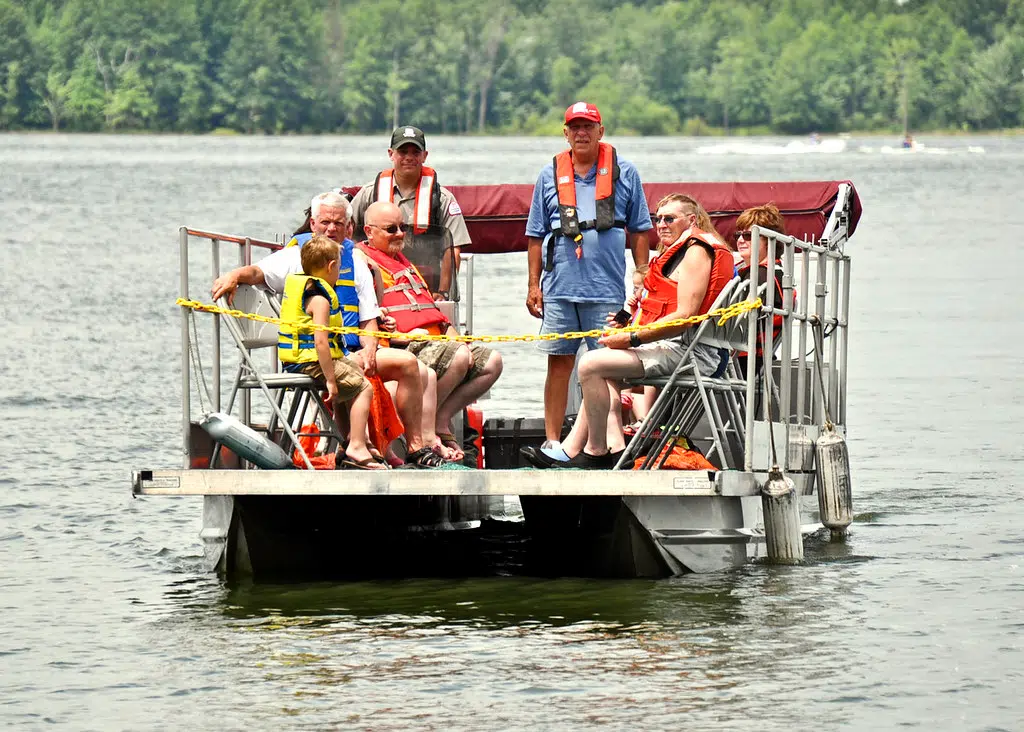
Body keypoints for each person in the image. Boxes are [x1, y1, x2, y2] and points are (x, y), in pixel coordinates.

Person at [211, 191, 450, 468]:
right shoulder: (295, 256)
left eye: (338, 223)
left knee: (411, 365)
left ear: (348, 228)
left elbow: (368, 318)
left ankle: (416, 448)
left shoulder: (356, 261)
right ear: (313, 224)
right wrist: (233, 275)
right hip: (316, 356)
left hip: (351, 348)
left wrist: (370, 349)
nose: (331, 229)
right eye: (325, 222)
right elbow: (257, 273)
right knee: (381, 371)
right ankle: (358, 446)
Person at [523, 219, 735, 469]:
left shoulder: (696, 252)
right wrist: (628, 325)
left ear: (691, 220)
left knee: (591, 364)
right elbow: (657, 310)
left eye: (670, 218)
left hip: (692, 353)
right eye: (659, 219)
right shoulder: (684, 254)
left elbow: (684, 316)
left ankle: (595, 451)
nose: (662, 224)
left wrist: (632, 338)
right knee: (602, 368)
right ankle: (605, 450)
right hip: (684, 348)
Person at [525, 101, 652, 450]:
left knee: (607, 368)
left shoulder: (625, 172)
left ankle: (609, 443)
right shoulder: (549, 174)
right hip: (559, 287)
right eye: (575, 127)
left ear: (601, 131)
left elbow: (641, 230)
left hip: (606, 288)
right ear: (565, 133)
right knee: (559, 364)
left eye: (588, 127)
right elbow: (535, 236)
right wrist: (533, 286)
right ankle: (553, 442)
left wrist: (641, 274)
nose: (581, 133)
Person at [357, 201, 503, 454]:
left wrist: (459, 339)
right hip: (407, 343)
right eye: (391, 229)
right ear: (370, 232)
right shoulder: (364, 263)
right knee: (458, 356)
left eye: (402, 227)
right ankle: (430, 433)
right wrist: (401, 335)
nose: (400, 234)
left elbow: (432, 312)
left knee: (491, 361)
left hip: (437, 340)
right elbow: (369, 316)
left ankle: (440, 417)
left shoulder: (405, 263)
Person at [277, 234, 384, 470]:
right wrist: (331, 381)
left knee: (355, 373)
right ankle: (357, 445)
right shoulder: (320, 300)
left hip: (305, 359)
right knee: (363, 387)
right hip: (309, 361)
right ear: (332, 266)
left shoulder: (304, 285)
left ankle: (349, 442)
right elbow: (321, 344)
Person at [349, 126, 469, 301]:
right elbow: (346, 232)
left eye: (415, 152)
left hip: (427, 287)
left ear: (424, 156)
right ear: (391, 154)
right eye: (403, 151)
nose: (409, 157)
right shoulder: (369, 193)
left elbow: (453, 249)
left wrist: (443, 292)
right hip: (378, 284)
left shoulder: (442, 198)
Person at [731, 203, 788, 375]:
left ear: (769, 240)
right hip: (749, 357)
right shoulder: (771, 273)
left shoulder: (762, 277)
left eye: (748, 235)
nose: (740, 240)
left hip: (742, 360)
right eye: (738, 235)